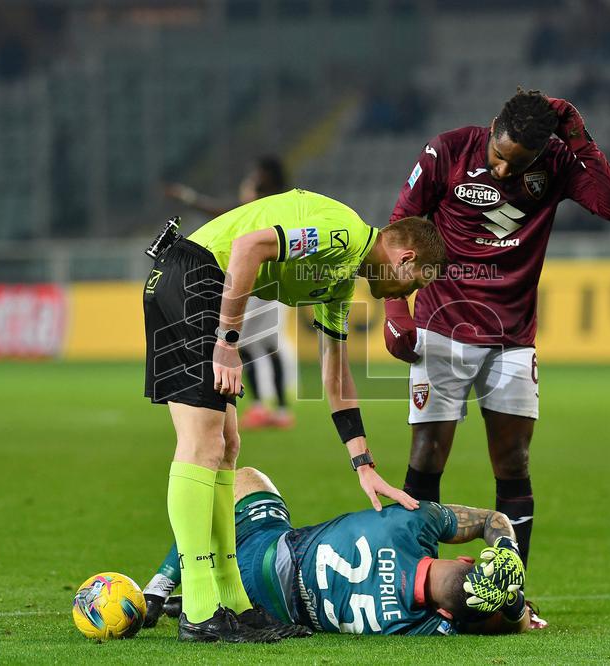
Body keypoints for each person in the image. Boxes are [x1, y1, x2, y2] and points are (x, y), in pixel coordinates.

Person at [143, 187, 446, 642]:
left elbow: (336, 376)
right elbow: (249, 247)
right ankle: (202, 612)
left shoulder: (340, 280)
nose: (411, 291)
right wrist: (227, 342)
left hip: (196, 283)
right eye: (418, 281)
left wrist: (363, 464)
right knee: (202, 445)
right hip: (194, 278)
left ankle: (233, 604)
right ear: (404, 259)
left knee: (226, 447)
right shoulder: (341, 236)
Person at [384, 88, 610, 629]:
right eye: (498, 156)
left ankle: (510, 593)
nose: (501, 170)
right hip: (441, 327)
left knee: (514, 462)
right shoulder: (447, 152)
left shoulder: (559, 164)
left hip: (513, 339)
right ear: (493, 125)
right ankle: (405, 583)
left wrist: (579, 135)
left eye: (516, 165)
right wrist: (394, 307)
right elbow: (399, 227)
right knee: (427, 457)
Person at [143, 467, 531, 636]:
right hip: (273, 613)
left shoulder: (412, 522)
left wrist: (507, 549)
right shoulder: (416, 626)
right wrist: (513, 606)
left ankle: (162, 584)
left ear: (464, 558)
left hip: (265, 549)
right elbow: (507, 621)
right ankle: (197, 597)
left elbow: (491, 518)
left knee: (237, 479)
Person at [165, 156, 295, 430]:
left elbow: (221, 211)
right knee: (258, 344)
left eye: (259, 173)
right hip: (263, 283)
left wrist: (189, 198)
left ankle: (271, 407)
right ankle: (271, 408)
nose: (255, 177)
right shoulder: (276, 205)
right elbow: (223, 211)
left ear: (270, 176)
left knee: (254, 344)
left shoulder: (264, 205)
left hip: (262, 283)